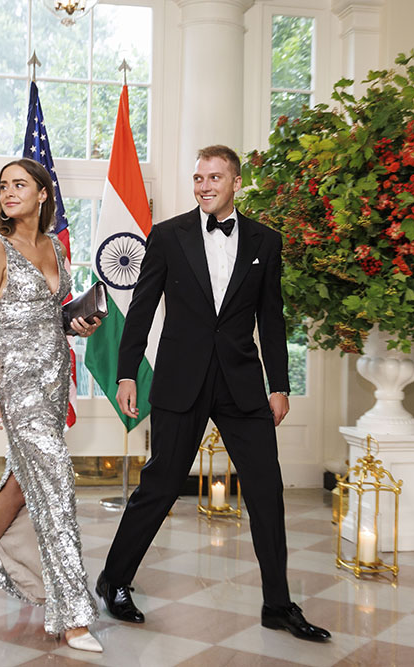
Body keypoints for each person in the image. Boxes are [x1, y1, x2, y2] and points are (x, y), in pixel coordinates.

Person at [95, 145, 331, 643]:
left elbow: (271, 317)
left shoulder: (267, 240)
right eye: (198, 177)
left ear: (236, 183)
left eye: (214, 177)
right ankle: (114, 580)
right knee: (160, 485)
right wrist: (127, 374)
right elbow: (141, 309)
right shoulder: (167, 236)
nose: (204, 185)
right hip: (182, 379)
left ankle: (278, 604)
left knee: (267, 491)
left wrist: (280, 384)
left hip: (242, 385)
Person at [0, 158, 103, 653]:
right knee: (56, 479)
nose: (9, 193)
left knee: (20, 486)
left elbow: (48, 315)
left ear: (42, 193)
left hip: (55, 377)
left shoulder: (58, 245)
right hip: (14, 382)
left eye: (20, 185)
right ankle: (74, 616)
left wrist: (76, 324)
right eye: (4, 186)